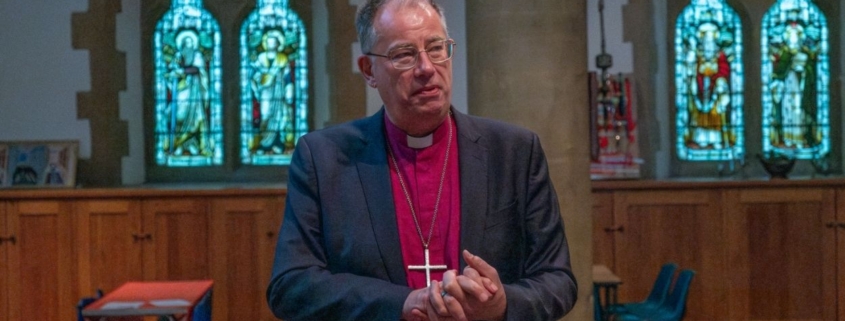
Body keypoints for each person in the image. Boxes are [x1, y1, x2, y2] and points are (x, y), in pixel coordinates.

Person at [266, 0, 577, 320]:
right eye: (403, 54)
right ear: (369, 70)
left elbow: (558, 280)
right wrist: (401, 302)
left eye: (437, 48)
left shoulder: (514, 152)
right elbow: (291, 286)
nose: (427, 68)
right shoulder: (324, 158)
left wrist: (503, 305)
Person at [250, 29, 296, 154]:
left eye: (274, 42)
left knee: (279, 117)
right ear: (266, 44)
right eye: (269, 42)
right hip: (264, 92)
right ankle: (264, 143)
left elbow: (287, 77)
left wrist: (289, 91)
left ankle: (277, 143)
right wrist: (256, 87)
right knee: (265, 115)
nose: (271, 44)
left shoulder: (282, 59)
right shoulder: (261, 58)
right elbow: (253, 76)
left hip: (278, 92)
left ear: (277, 44)